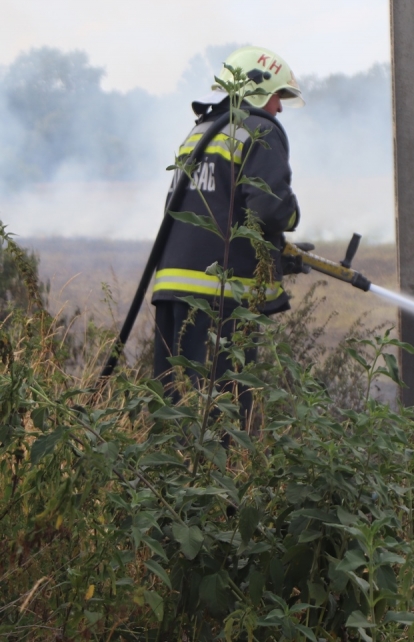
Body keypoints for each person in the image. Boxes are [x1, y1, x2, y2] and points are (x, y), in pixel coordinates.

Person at [151, 46, 307, 406]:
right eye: (274, 96)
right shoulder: (259, 129)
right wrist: (292, 217)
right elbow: (270, 209)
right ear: (254, 91)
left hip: (172, 289)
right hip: (221, 299)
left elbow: (215, 208)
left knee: (174, 407)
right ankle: (223, 466)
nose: (279, 107)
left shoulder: (201, 131)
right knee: (222, 413)